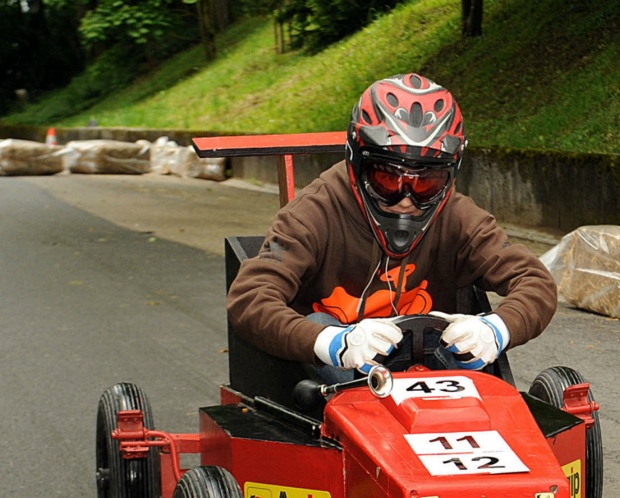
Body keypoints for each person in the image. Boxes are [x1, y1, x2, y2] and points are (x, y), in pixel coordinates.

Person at [226, 72, 557, 381]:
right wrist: (330, 342)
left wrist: (496, 329)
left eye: (426, 182)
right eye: (388, 179)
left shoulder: (458, 216)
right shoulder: (312, 213)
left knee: (468, 346)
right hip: (339, 374)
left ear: (450, 176)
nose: (406, 200)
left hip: (428, 362)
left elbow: (535, 280)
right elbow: (250, 297)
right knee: (319, 323)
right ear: (357, 162)